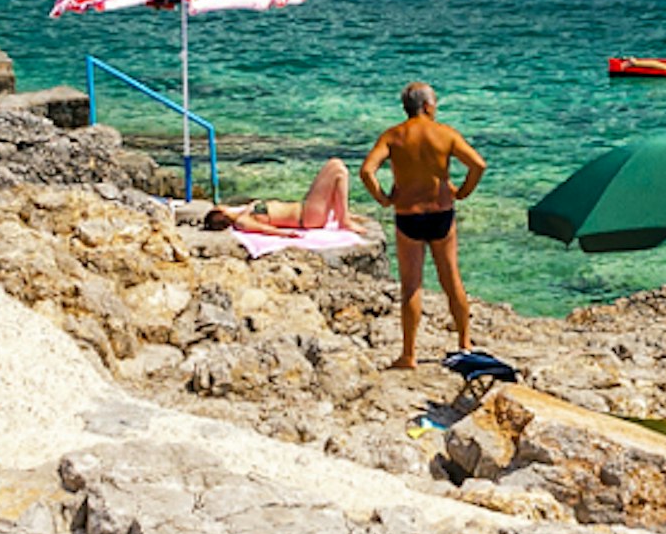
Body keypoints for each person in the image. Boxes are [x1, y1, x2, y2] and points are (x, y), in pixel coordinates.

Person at [360, 83, 486, 366]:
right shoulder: (445, 134)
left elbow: (367, 171)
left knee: (412, 287)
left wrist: (383, 198)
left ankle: (409, 354)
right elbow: (478, 165)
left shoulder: (393, 136)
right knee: (452, 280)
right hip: (441, 213)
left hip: (408, 215)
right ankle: (464, 343)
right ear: (428, 106)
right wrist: (462, 192)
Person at [206, 159, 357, 238]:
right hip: (307, 216)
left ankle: (342, 216)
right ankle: (344, 221)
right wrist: (286, 234)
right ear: (221, 212)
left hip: (306, 210)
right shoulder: (241, 221)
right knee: (338, 169)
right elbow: (265, 229)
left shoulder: (242, 213)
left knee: (338, 167)